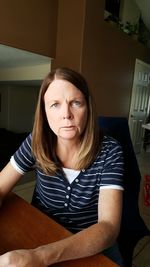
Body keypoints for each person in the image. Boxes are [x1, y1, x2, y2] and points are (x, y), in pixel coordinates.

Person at [0, 67, 124, 266]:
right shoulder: (37, 142)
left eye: (75, 103)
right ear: (44, 111)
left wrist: (40, 256)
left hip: (89, 244)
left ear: (88, 108)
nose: (66, 114)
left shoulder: (109, 150)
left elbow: (108, 227)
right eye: (55, 105)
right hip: (44, 231)